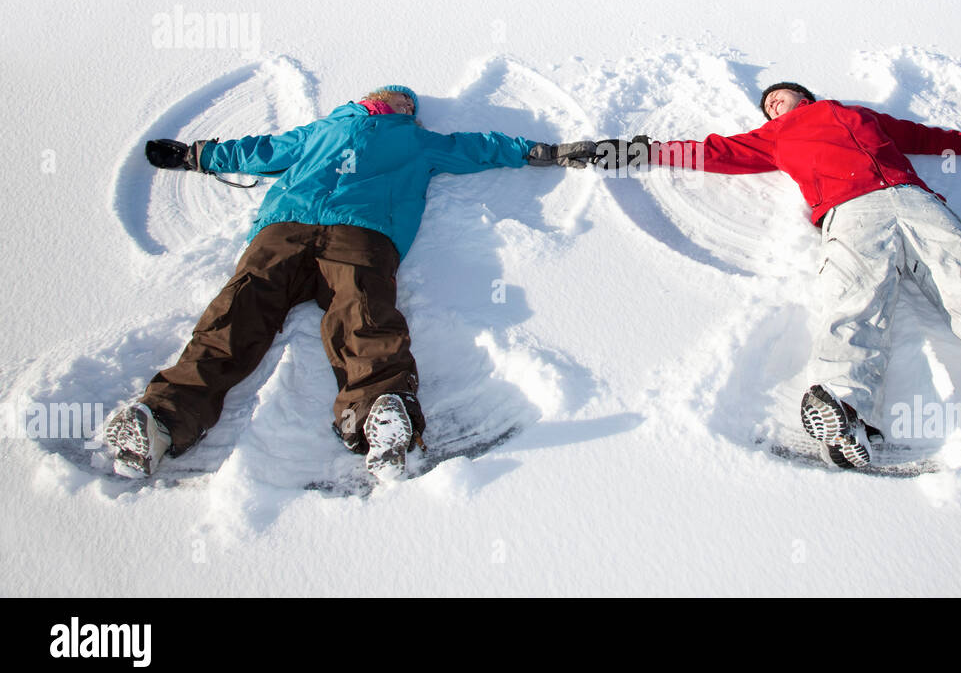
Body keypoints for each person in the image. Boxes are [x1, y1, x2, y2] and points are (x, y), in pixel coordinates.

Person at [593, 81, 961, 469]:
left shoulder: (857, 115)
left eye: (780, 96)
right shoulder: (772, 136)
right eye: (767, 105)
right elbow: (707, 152)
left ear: (805, 96)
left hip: (919, 203)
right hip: (851, 212)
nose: (774, 104)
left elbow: (918, 136)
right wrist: (631, 151)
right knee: (855, 302)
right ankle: (843, 411)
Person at [103, 85, 595, 482]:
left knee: (363, 310)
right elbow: (261, 150)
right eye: (393, 96)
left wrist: (543, 151)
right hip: (284, 229)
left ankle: (380, 410)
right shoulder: (319, 131)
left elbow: (475, 147)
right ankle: (163, 418)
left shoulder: (415, 140)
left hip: (363, 232)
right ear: (365, 100)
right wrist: (195, 154)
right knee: (239, 309)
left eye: (408, 102)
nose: (401, 102)